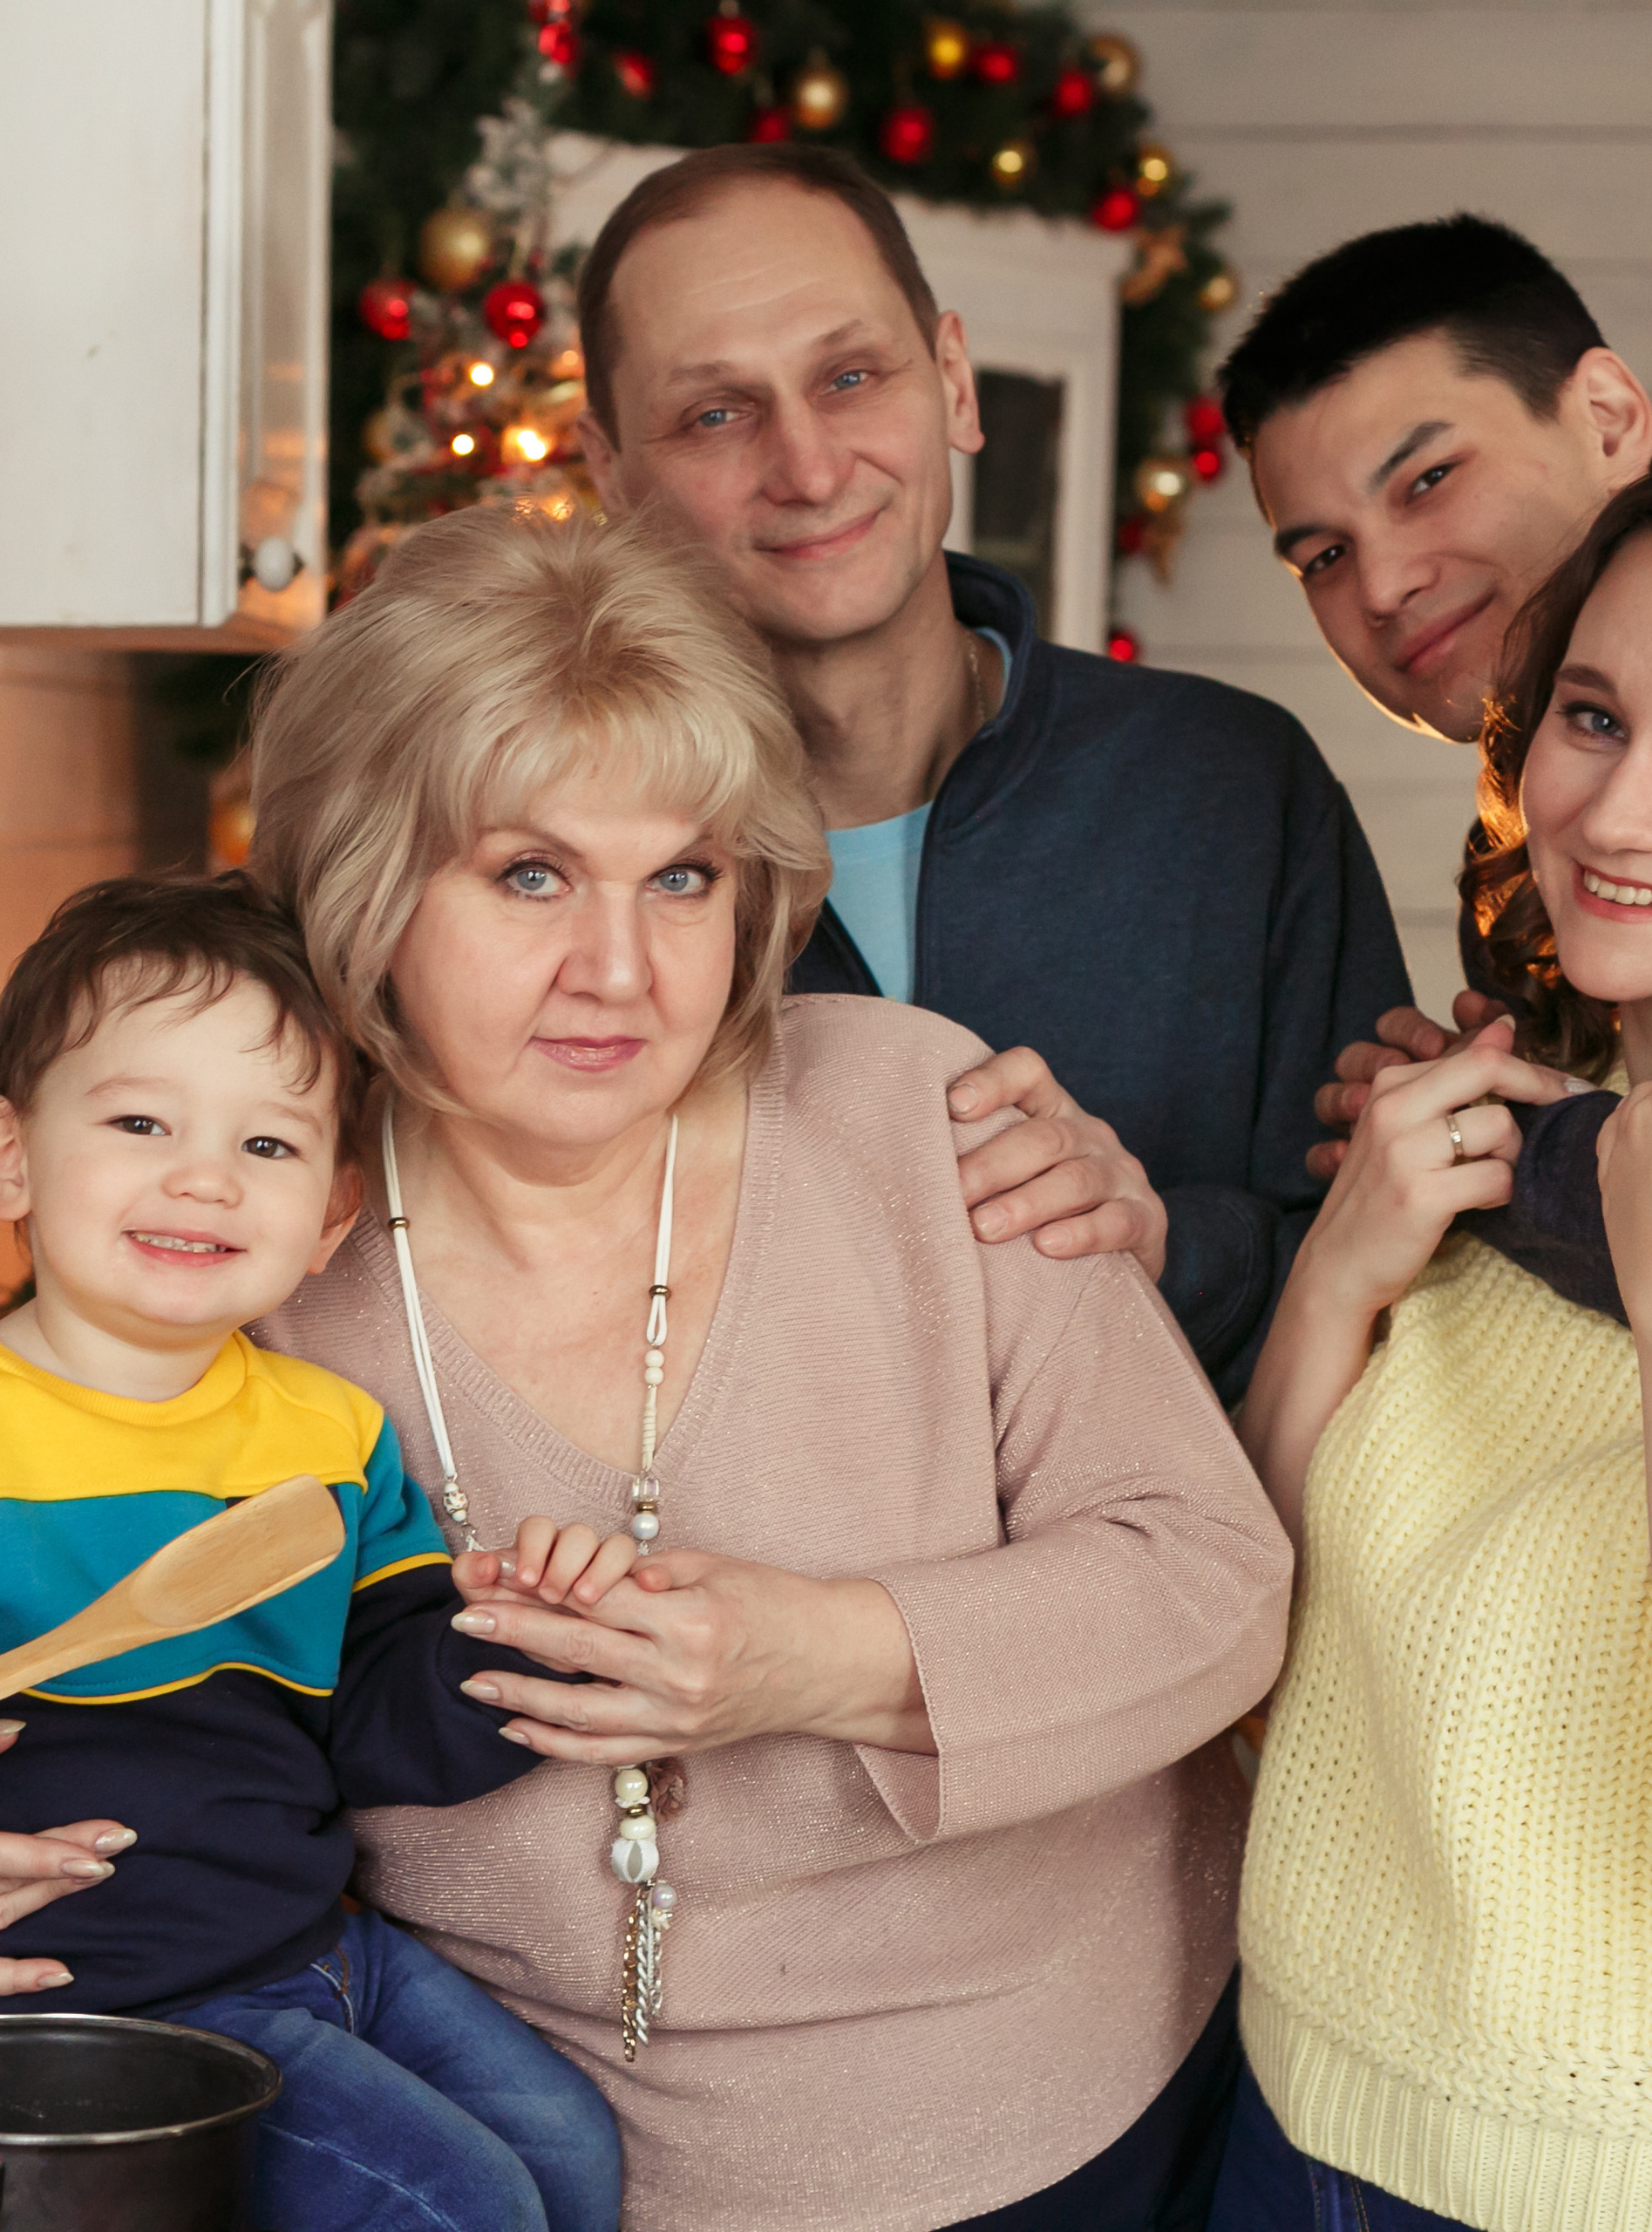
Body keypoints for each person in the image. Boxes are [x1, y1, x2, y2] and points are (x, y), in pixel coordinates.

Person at [0, 504, 1295, 2232]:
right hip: (483, 2143)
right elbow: (2, 1653)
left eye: (681, 875)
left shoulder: (917, 1116)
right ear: (366, 886)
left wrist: (817, 1652)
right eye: (528, 871)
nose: (618, 969)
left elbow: (1213, 1579)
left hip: (1052, 2106)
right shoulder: (235, 1237)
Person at [0, 877, 624, 2232]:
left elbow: (381, 1717)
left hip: (312, 1948)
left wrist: (518, 1645)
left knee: (566, 2155)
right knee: (467, 2207)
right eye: (141, 1121)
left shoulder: (329, 1438)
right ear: (8, 1160)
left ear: (333, 1211)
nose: (204, 1176)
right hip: (80, 2014)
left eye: (268, 1147)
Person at [572, 143, 1413, 1399]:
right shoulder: (559, 861)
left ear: (954, 384)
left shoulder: (1233, 790)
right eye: (715, 414)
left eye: (852, 376)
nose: (806, 467)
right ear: (611, 478)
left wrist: (1163, 1241)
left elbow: (1402, 1282)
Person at [1213, 476, 1652, 2231]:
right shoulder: (1503, 1134)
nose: (1616, 810)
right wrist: (1338, 1274)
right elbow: (1233, 1667)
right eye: (1592, 716)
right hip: (1292, 2111)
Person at [1216, 214, 1652, 1168]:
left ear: (1610, 419)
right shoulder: (1522, 856)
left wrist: (1530, 1158)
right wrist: (1496, 1102)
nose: (1379, 588)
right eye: (1325, 555)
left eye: (1428, 479)